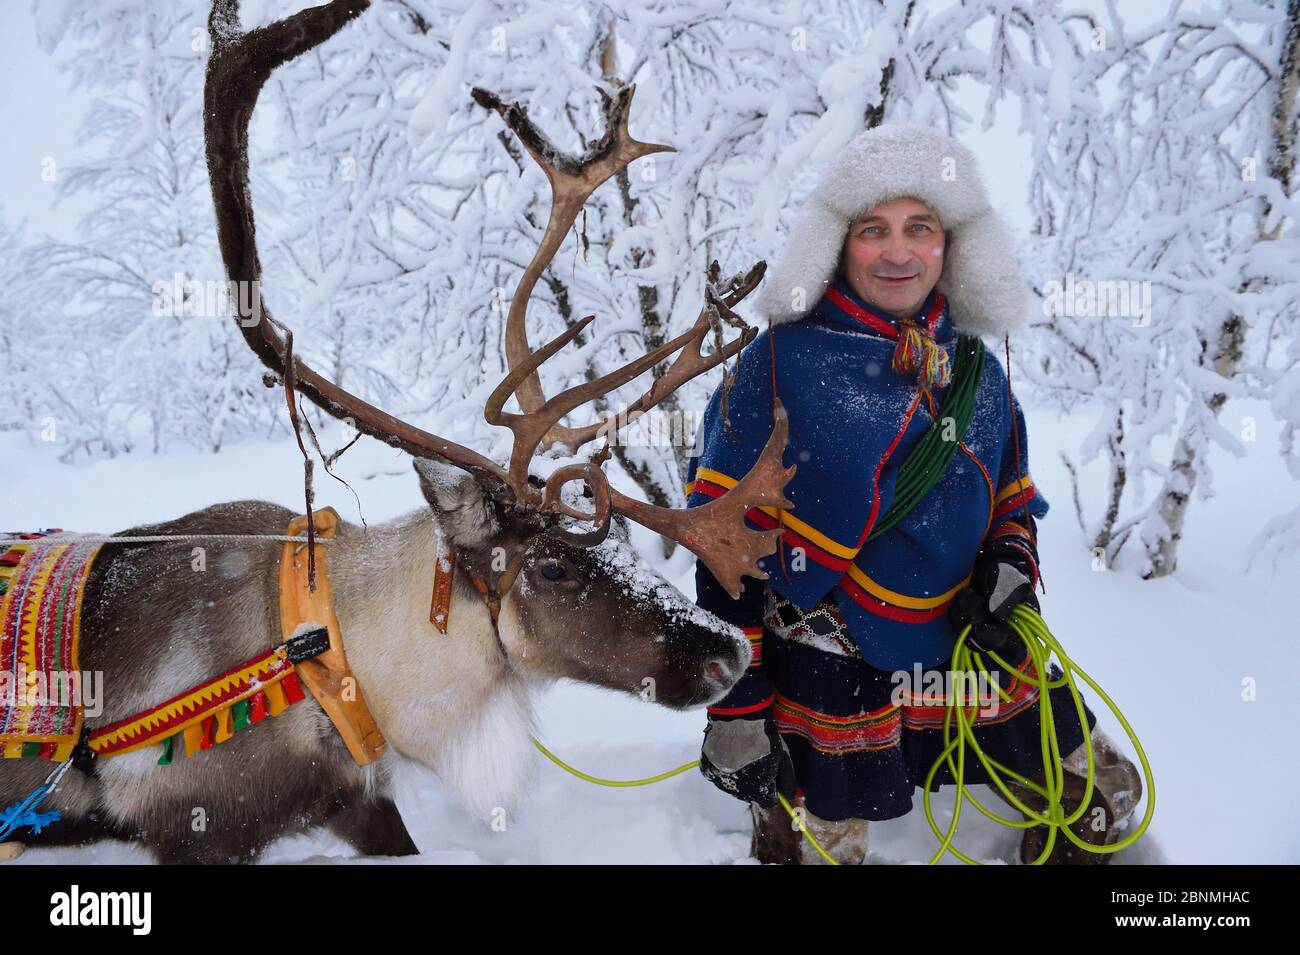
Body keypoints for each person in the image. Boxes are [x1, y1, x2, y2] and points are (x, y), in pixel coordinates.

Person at [685, 124, 1142, 865]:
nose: (898, 253)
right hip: (830, 669)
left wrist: (1010, 567)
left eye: (919, 228)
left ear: (950, 244)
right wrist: (735, 707)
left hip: (968, 648)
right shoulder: (777, 363)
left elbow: (1011, 503)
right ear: (839, 243)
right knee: (819, 855)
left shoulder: (976, 370)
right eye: (874, 229)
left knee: (1103, 801)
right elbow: (722, 546)